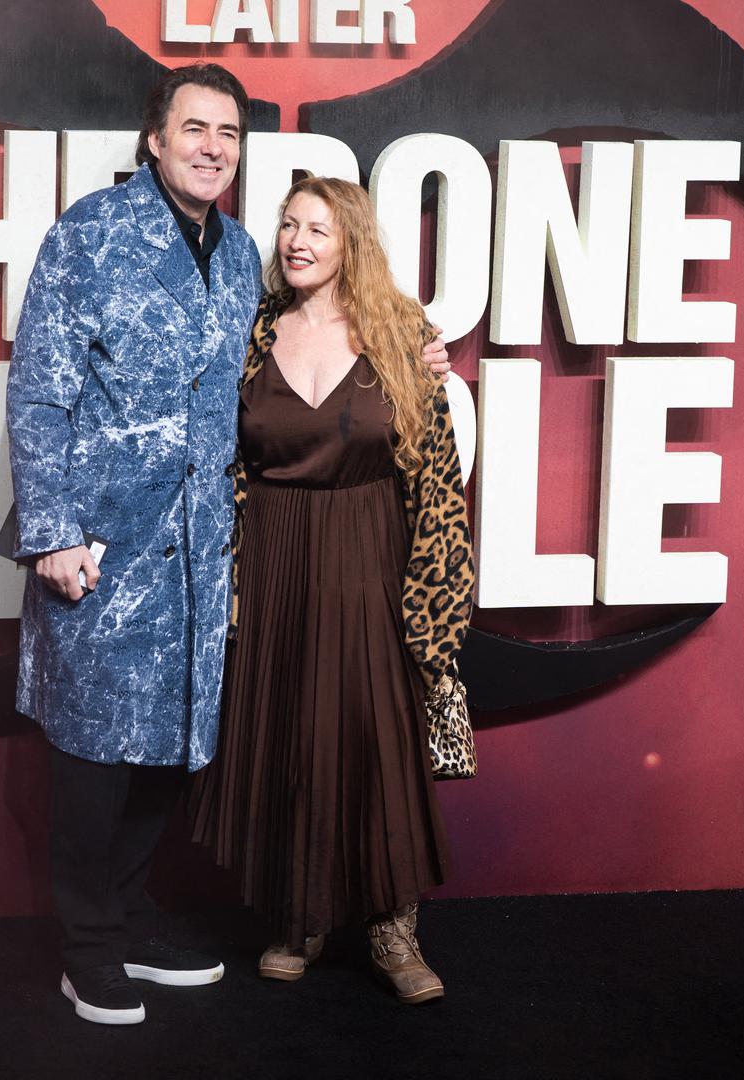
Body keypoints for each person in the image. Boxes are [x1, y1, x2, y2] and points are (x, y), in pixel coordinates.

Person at [8, 64, 452, 1026]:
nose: (213, 146)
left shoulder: (242, 248)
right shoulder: (88, 234)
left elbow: (317, 345)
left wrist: (413, 347)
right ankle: (86, 950)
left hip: (206, 554)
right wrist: (49, 532)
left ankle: (125, 918)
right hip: (102, 548)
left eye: (230, 133)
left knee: (172, 747)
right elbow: (39, 388)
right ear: (154, 139)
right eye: (195, 127)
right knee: (91, 752)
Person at [188, 176, 476, 1005]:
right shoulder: (249, 332)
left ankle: (392, 928)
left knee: (374, 737)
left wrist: (433, 596)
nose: (297, 240)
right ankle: (300, 919)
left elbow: (434, 476)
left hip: (367, 554)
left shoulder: (402, 334)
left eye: (317, 227)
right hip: (273, 558)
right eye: (287, 224)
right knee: (289, 734)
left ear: (351, 240)